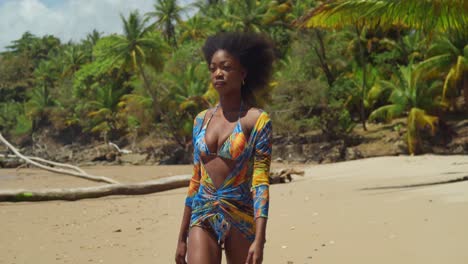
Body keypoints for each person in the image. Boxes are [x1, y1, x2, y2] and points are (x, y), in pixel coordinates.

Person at [175, 32, 274, 264]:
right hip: (202, 212)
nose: (218, 73)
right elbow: (195, 180)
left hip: (240, 214)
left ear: (243, 73)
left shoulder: (256, 120)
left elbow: (260, 182)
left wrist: (260, 240)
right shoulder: (201, 120)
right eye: (213, 68)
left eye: (226, 67)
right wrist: (181, 237)